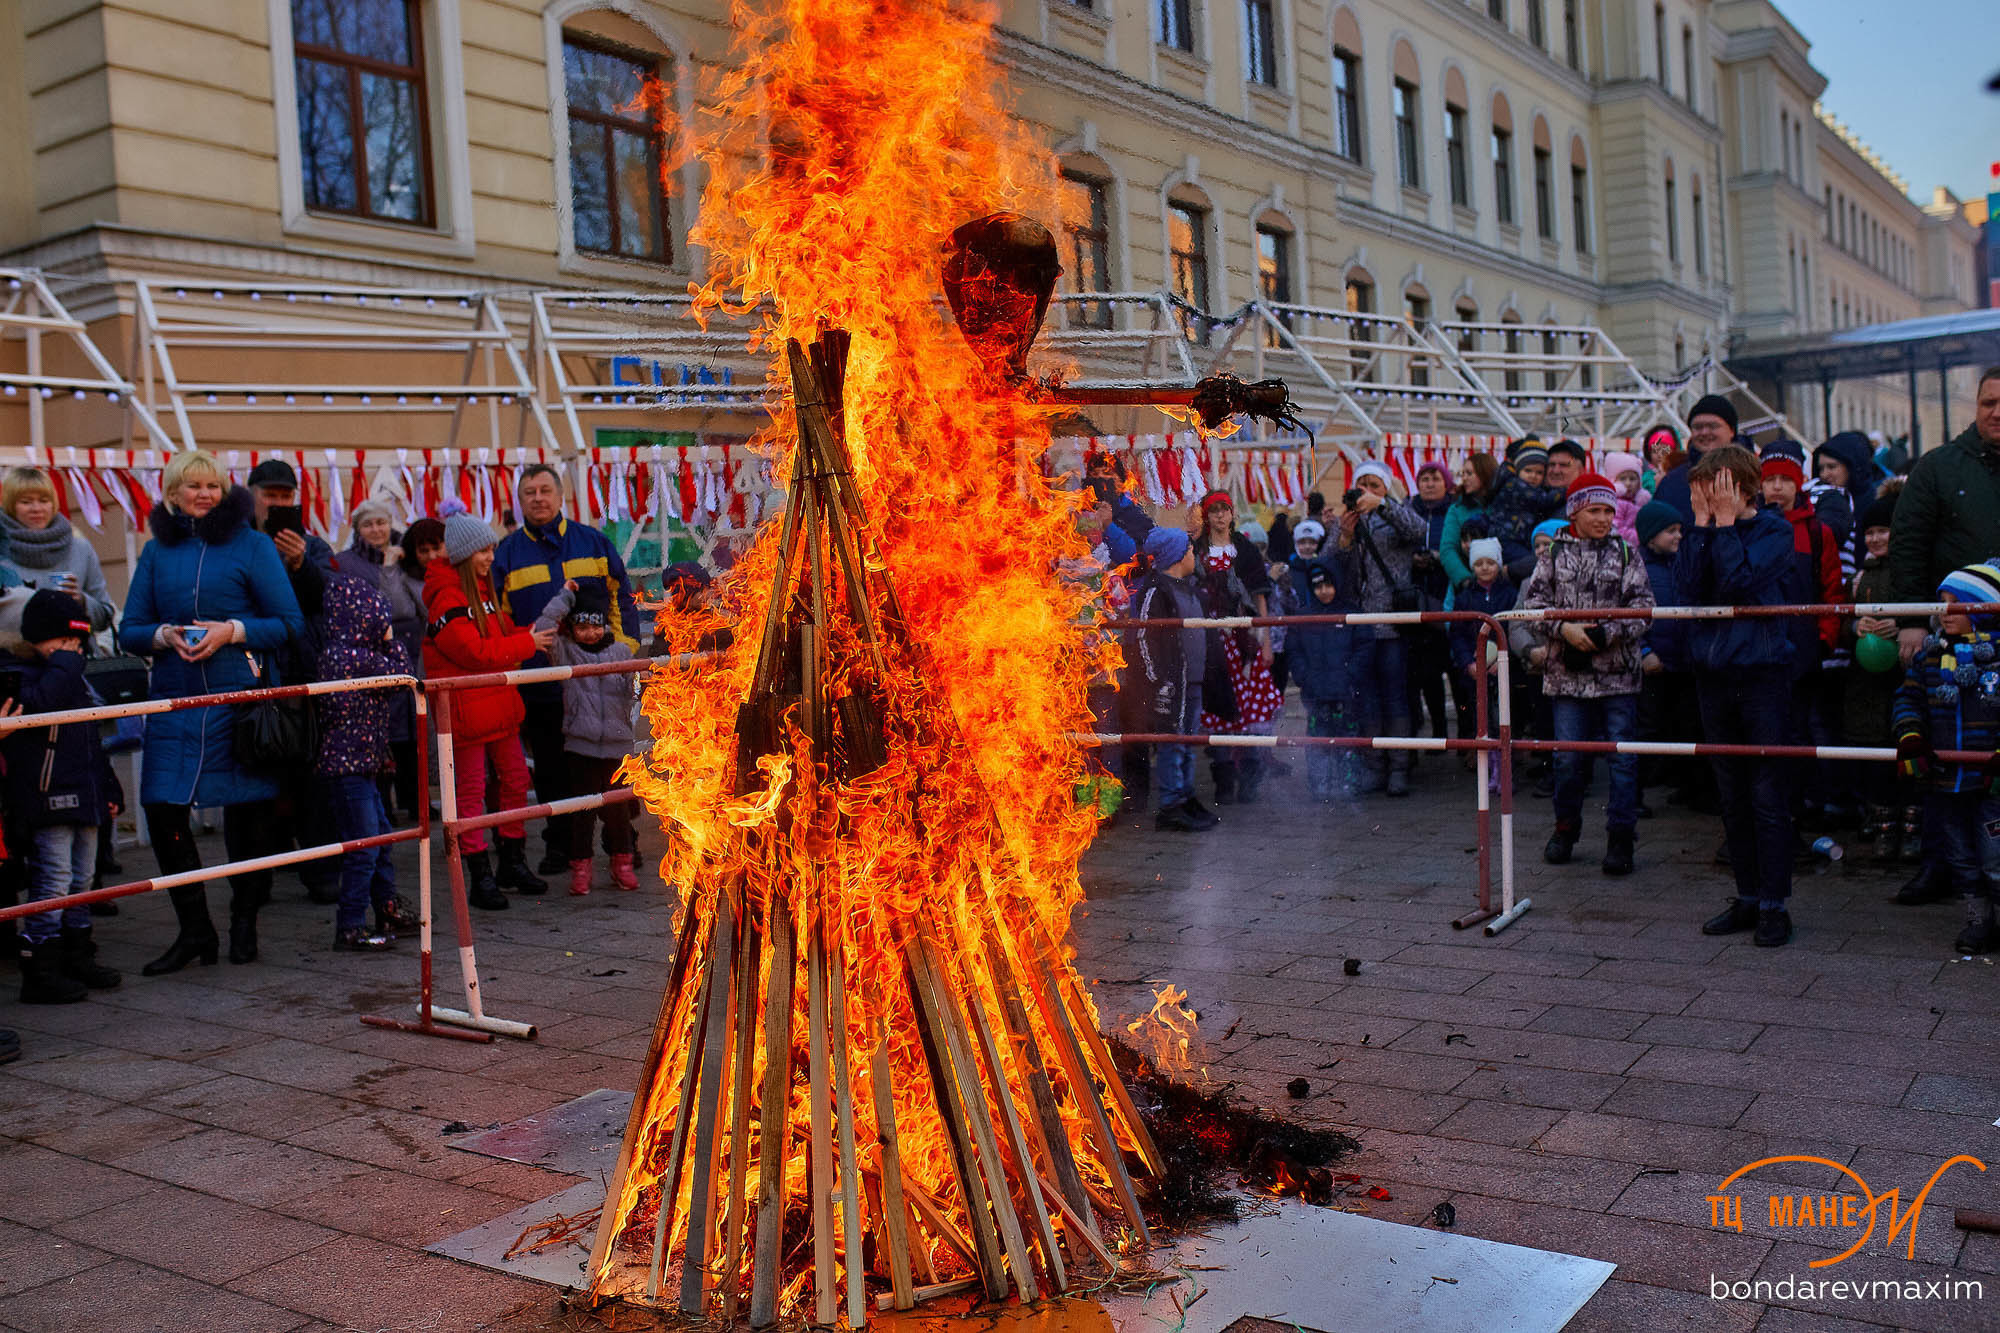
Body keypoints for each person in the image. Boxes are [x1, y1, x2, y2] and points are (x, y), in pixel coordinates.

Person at [120, 450, 307, 971]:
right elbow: (129, 629)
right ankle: (194, 930)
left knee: (248, 816)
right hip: (176, 700)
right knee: (162, 809)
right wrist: (164, 634)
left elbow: (289, 623)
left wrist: (233, 630)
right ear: (172, 492)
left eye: (212, 485)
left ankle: (244, 922)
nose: (204, 493)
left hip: (237, 699)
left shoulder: (252, 545)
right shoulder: (157, 552)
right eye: (193, 485)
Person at [1885, 368, 2000, 905]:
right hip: (1953, 634)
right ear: (1975, 406)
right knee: (1943, 749)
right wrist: (1911, 619)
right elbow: (1907, 543)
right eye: (1988, 402)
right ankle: (1939, 865)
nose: (1997, 412)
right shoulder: (1938, 467)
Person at [491, 464, 641, 876]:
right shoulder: (505, 554)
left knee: (613, 768)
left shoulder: (592, 543)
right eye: (529, 493)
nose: (537, 498)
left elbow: (622, 600)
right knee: (555, 772)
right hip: (540, 684)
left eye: (544, 490)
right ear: (519, 501)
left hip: (600, 683)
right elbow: (502, 623)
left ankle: (621, 843)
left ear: (561, 496)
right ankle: (560, 846)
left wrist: (625, 648)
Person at [1677, 445, 1799, 947]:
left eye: (1714, 486)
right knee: (1730, 793)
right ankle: (1747, 896)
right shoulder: (1705, 527)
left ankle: (1774, 904)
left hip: (1762, 672)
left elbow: (1739, 584)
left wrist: (1724, 527)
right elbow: (1687, 586)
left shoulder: (1775, 530)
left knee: (1767, 794)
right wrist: (1703, 529)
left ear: (1741, 488)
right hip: (1713, 672)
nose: (1704, 496)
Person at [1520, 474, 1655, 875]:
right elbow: (1534, 604)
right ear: (1575, 511)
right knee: (1567, 760)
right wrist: (1565, 631)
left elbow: (1644, 606)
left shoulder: (1627, 553)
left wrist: (1604, 633)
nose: (1602, 518)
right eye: (1594, 510)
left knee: (1623, 760)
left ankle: (1620, 837)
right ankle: (1565, 828)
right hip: (1567, 676)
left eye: (1608, 511)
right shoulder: (1553, 556)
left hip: (1618, 675)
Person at [425, 511, 557, 907]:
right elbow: (476, 652)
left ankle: (511, 861)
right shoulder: (447, 598)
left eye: (491, 548)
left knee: (516, 781)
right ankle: (480, 873)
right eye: (484, 550)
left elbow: (492, 637)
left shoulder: (479, 590)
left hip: (495, 706)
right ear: (466, 554)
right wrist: (526, 645)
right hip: (467, 711)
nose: (491, 556)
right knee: (472, 793)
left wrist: (527, 635)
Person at [5, 589, 123, 1003]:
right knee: (52, 879)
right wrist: (62, 666)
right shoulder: (22, 674)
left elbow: (93, 738)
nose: (72, 652)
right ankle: (40, 964)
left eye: (77, 644)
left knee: (83, 879)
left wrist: (109, 788)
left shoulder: (73, 676)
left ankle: (78, 952)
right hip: (47, 796)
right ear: (38, 639)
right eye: (63, 644)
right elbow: (34, 709)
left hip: (85, 792)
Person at [1893, 564, 2000, 954]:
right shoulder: (1930, 657)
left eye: (1957, 603)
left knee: (1995, 856)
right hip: (1944, 779)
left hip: (1991, 781)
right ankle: (1978, 918)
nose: (1945, 611)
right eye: (1942, 603)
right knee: (1959, 855)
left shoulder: (1997, 659)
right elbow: (1908, 698)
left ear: (1984, 608)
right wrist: (1911, 735)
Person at [246, 458, 338, 901]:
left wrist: (300, 564)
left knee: (310, 777)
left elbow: (327, 599)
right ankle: (258, 875)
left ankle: (320, 873)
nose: (279, 503)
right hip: (252, 672)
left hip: (302, 673)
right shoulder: (237, 544)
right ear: (252, 495)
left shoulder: (313, 546)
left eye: (286, 497)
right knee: (256, 777)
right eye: (271, 495)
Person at [314, 572, 411, 951]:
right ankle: (350, 925)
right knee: (366, 846)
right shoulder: (354, 657)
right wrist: (391, 639)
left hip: (360, 765)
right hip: (350, 768)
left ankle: (386, 907)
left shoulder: (339, 653)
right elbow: (404, 676)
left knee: (380, 840)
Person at [532, 579, 640, 894]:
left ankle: (622, 864)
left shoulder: (621, 650)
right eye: (582, 626)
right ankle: (581, 867)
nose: (590, 633)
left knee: (619, 813)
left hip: (617, 747)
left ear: (606, 624)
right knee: (582, 813)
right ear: (572, 627)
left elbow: (632, 690)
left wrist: (640, 681)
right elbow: (543, 626)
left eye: (596, 626)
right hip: (580, 746)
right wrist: (565, 597)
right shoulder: (566, 652)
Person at [1336, 462, 1427, 796]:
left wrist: (1383, 506)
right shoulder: (1349, 520)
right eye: (1362, 484)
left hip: (1392, 624)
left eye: (1374, 484)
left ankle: (1399, 767)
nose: (1366, 490)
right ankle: (1375, 767)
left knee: (1395, 697)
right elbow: (1331, 562)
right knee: (1368, 700)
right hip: (1358, 627)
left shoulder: (1394, 513)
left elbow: (1418, 530)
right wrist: (1344, 536)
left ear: (1385, 489)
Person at [1190, 491, 1279, 804]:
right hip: (1212, 643)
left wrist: (1266, 640)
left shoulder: (1244, 549)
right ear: (1206, 515)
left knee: (1249, 710)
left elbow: (1260, 596)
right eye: (1213, 511)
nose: (1219, 516)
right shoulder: (1197, 550)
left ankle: (1251, 778)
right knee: (1219, 711)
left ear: (1231, 513)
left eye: (1224, 510)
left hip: (1245, 641)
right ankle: (1224, 780)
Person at [1846, 490, 1915, 867]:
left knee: (1905, 750)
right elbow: (1841, 620)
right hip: (1865, 684)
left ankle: (1910, 825)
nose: (1875, 538)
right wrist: (1855, 626)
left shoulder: (1910, 572)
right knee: (1873, 756)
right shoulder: (1859, 577)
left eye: (1882, 530)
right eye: (1869, 531)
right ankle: (1883, 822)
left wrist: (1902, 623)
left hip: (1902, 677)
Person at [1131, 527, 1216, 832]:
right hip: (1171, 684)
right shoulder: (1157, 591)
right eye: (1191, 551)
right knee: (1172, 743)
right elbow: (1143, 637)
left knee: (1188, 741)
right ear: (1178, 557)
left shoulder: (1189, 586)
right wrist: (1158, 680)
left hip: (1191, 681)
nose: (1195, 555)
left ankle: (1186, 795)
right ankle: (1170, 803)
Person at [1634, 501, 1701, 812]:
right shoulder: (1638, 569)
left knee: (1687, 725)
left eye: (1679, 530)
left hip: (1684, 660)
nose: (1678, 536)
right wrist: (1645, 651)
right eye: (1670, 531)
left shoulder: (1683, 564)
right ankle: (1633, 795)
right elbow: (1633, 617)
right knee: (1647, 728)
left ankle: (1689, 788)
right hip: (1654, 663)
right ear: (1650, 536)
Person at [0, 468, 115, 635]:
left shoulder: (81, 549)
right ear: (10, 506)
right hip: (14, 656)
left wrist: (81, 601)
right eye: (26, 502)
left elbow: (105, 617)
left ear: (54, 503)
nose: (36, 508)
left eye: (44, 500)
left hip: (76, 653)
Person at [384, 517, 445, 820]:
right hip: (417, 666)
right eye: (424, 550)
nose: (432, 556)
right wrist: (391, 567)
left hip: (442, 664)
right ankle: (417, 803)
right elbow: (399, 608)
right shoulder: (407, 579)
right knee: (413, 742)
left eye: (437, 548)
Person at [1448, 537, 1518, 782]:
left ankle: (1506, 769)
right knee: (1482, 720)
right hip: (1474, 670)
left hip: (1502, 669)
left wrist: (1502, 660)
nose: (1485, 567)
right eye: (1479, 563)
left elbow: (1512, 630)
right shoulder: (1464, 598)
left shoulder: (1510, 594)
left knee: (1504, 719)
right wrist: (1468, 662)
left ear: (1498, 563)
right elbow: (1456, 634)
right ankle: (1488, 767)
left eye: (1490, 562)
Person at [1287, 558, 1356, 802]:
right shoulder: (1302, 617)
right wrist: (1303, 676)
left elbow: (1363, 646)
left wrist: (1351, 674)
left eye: (1329, 585)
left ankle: (1346, 783)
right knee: (1316, 740)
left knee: (1346, 739)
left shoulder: (1351, 612)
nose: (1324, 591)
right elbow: (1294, 650)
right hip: (1315, 691)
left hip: (1344, 690)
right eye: (1318, 587)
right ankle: (1319, 783)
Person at [1405, 461, 1458, 742]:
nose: (1428, 484)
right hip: (1417, 601)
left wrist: (1438, 557)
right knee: (1426, 675)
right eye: (1423, 478)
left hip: (1445, 595)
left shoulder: (1453, 511)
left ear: (1446, 482)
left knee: (1455, 671)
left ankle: (1464, 737)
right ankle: (1437, 733)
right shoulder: (1409, 509)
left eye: (1435, 478)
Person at [1654, 394, 1739, 528]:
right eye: (1698, 427)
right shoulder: (1673, 482)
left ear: (1732, 430)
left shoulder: (1750, 475)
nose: (1704, 432)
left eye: (1713, 426)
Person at [1439, 453, 1499, 590]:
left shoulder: (1500, 506)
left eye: (1469, 473)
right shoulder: (1457, 509)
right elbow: (1447, 549)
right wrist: (1465, 580)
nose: (1464, 478)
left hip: (1499, 588)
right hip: (1464, 588)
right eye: (1463, 473)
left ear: (1485, 474)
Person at [1599, 450, 1649, 546]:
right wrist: (1641, 537)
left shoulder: (1640, 502)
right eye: (1623, 479)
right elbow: (1617, 528)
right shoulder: (1616, 503)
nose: (1628, 483)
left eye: (1632, 479)